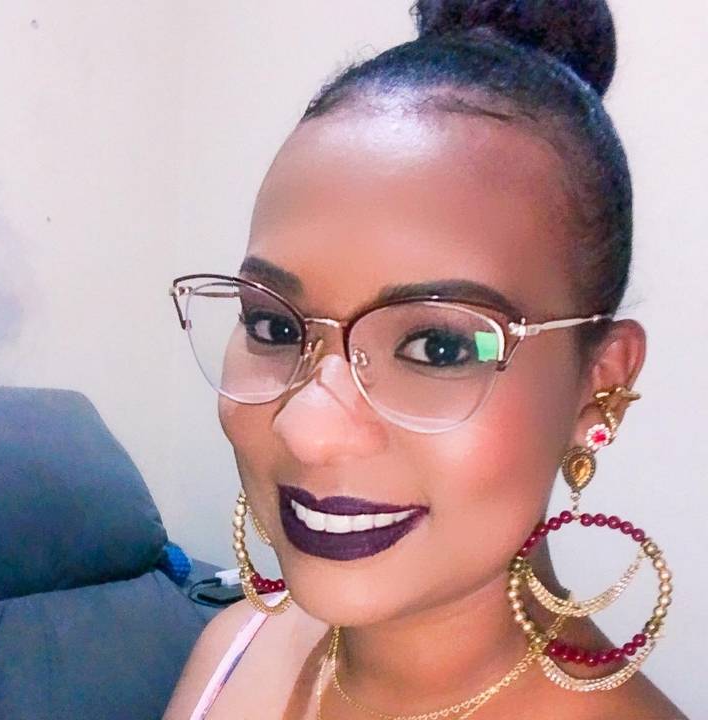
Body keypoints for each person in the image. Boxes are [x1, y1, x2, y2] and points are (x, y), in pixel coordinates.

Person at [163, 1, 688, 718]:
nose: (307, 430)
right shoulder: (233, 650)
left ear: (599, 387)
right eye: (274, 325)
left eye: (437, 346)